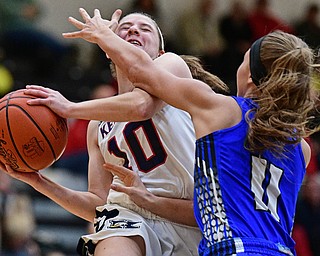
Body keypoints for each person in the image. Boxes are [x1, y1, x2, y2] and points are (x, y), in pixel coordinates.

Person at [61, 8, 320, 255]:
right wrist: (151, 202)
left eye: (242, 62)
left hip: (232, 248)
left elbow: (142, 75)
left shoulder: (220, 110)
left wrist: (104, 36)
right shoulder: (302, 148)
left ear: (250, 76)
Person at [3, 10, 227, 256]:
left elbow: (142, 106)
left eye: (145, 28)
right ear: (110, 48)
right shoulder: (97, 124)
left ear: (160, 52)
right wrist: (38, 181)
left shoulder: (171, 64)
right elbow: (98, 204)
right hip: (130, 217)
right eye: (126, 27)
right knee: (112, 226)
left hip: (192, 215)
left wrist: (70, 108)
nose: (133, 30)